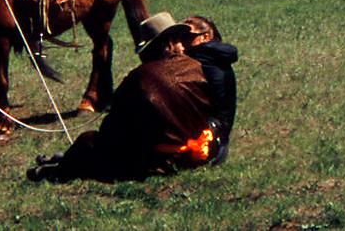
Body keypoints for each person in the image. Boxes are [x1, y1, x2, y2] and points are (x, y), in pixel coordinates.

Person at [28, 13, 217, 183]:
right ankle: (61, 163)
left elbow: (112, 129)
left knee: (89, 140)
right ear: (173, 42)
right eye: (181, 40)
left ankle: (58, 171)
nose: (184, 45)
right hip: (195, 157)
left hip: (155, 160)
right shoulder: (199, 69)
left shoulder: (139, 77)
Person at [182, 15, 237, 164]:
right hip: (220, 134)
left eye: (187, 36)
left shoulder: (200, 55)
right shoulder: (216, 55)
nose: (181, 41)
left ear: (205, 36)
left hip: (207, 138)